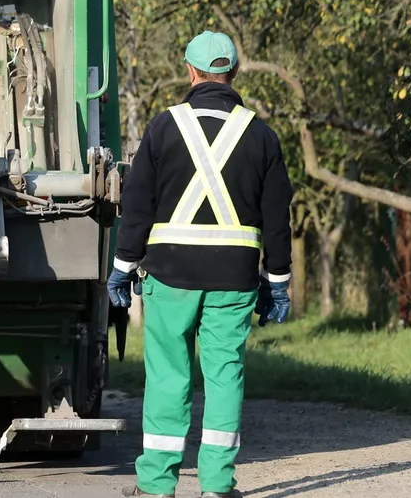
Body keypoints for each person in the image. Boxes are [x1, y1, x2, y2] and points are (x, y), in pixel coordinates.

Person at [108, 32, 293, 498]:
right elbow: (277, 217)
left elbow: (138, 206)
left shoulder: (163, 127)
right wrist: (278, 283)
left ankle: (157, 486)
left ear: (190, 73)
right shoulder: (262, 135)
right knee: (224, 376)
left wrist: (122, 267)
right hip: (234, 281)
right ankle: (216, 486)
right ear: (233, 74)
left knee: (169, 377)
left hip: (169, 278)